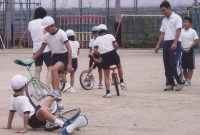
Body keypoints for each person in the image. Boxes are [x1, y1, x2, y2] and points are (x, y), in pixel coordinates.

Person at [2, 74, 88, 135]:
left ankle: (50, 113)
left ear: (13, 88)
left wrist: (9, 125)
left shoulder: (12, 98)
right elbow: (26, 114)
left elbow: (11, 112)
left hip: (34, 113)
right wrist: (25, 128)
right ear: (24, 87)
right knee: (42, 110)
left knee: (49, 98)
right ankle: (62, 124)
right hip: (33, 120)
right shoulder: (24, 99)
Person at [32, 16, 73, 110]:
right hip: (55, 57)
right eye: (44, 28)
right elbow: (41, 50)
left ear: (52, 25)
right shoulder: (46, 36)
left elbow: (69, 48)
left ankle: (55, 92)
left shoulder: (61, 33)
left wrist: (69, 63)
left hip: (64, 57)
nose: (46, 30)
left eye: (47, 28)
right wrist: (32, 59)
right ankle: (59, 104)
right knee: (56, 83)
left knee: (53, 69)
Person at [154, 1, 184, 91]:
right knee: (166, 64)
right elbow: (162, 33)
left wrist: (175, 42)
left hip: (175, 42)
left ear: (169, 8)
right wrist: (158, 45)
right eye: (161, 11)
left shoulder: (176, 18)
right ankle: (170, 83)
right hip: (166, 43)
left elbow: (178, 30)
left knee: (172, 64)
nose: (163, 13)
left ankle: (180, 82)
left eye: (164, 10)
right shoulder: (164, 20)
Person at [94, 24, 127, 98]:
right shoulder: (110, 36)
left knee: (106, 75)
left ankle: (108, 93)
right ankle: (121, 81)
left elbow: (95, 51)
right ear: (106, 30)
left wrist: (101, 55)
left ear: (98, 32)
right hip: (113, 54)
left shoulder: (97, 39)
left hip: (104, 57)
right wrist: (113, 51)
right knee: (119, 66)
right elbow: (116, 45)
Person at [28, 7, 52, 87]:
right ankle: (48, 87)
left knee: (38, 69)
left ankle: (38, 87)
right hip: (46, 48)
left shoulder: (30, 23)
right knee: (50, 68)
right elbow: (47, 34)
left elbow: (31, 34)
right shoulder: (43, 22)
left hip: (35, 48)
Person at [179, 17, 199, 86]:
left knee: (190, 66)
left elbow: (196, 40)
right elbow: (179, 41)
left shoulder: (193, 31)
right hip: (182, 51)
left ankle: (189, 80)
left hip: (190, 51)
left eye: (186, 22)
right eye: (184, 22)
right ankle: (185, 79)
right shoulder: (181, 31)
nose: (185, 23)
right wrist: (181, 48)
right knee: (183, 66)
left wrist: (190, 47)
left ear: (190, 24)